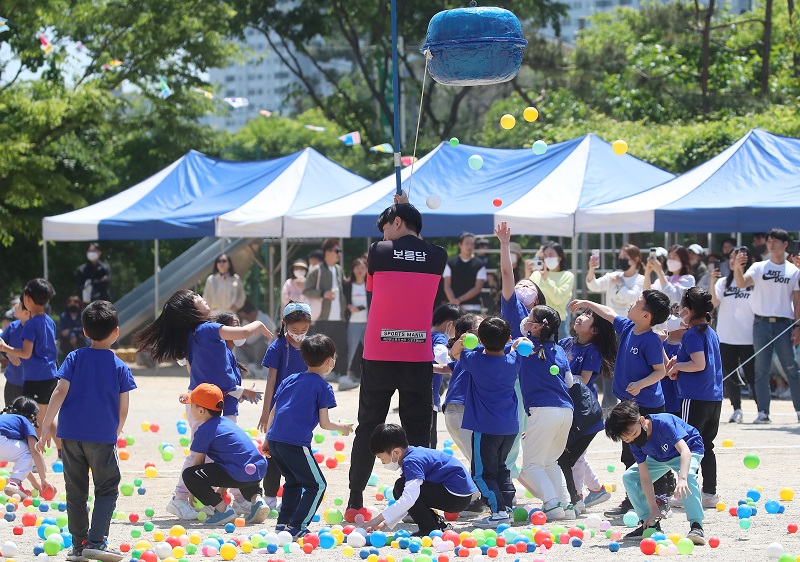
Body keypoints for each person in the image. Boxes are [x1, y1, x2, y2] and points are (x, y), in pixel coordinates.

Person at [347, 193, 447, 511]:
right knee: (419, 429)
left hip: (379, 351)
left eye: (386, 227)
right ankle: (419, 501)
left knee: (368, 425)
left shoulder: (378, 251)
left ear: (397, 222)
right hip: (417, 353)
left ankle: (354, 499)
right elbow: (420, 251)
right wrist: (404, 209)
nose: (382, 235)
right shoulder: (439, 255)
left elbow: (375, 289)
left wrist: (401, 211)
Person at [134, 289, 271, 520]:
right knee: (203, 452)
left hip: (209, 401)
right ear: (190, 309)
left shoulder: (194, 335)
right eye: (196, 296)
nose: (201, 296)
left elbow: (194, 367)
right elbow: (244, 331)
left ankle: (242, 501)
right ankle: (178, 498)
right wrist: (259, 323)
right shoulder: (207, 329)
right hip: (208, 403)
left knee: (225, 451)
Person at [39, 300, 136, 562]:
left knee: (76, 491)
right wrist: (115, 430)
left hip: (70, 436)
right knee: (106, 488)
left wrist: (46, 426)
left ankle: (79, 546)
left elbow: (59, 391)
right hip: (102, 438)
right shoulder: (120, 366)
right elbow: (123, 407)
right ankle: (97, 542)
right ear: (116, 332)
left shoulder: (74, 357)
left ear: (84, 331)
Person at [568, 290, 672, 518]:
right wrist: (587, 302)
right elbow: (608, 313)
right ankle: (632, 498)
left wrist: (641, 383)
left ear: (646, 316)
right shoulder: (627, 327)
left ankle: (661, 497)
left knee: (653, 453)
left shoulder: (651, 340)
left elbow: (660, 371)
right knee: (630, 453)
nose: (632, 302)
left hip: (648, 407)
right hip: (628, 404)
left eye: (638, 302)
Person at [262, 335, 353, 538]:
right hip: (294, 443)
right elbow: (325, 423)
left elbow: (274, 410)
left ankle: (283, 524)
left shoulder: (290, 379)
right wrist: (343, 427)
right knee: (317, 485)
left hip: (276, 440)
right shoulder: (323, 386)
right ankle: (297, 527)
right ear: (329, 361)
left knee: (293, 481)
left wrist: (268, 438)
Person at [450, 317, 524, 528]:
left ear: (480, 340)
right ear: (508, 338)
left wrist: (463, 339)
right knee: (501, 468)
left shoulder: (475, 360)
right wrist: (515, 343)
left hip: (486, 428)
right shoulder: (513, 361)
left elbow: (454, 353)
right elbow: (517, 347)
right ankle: (507, 507)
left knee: (481, 474)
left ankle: (498, 512)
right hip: (510, 427)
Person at [605, 401, 706, 545]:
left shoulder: (663, 423)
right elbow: (645, 477)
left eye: (633, 433)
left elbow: (685, 452)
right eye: (627, 439)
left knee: (688, 476)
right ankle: (650, 523)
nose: (633, 440)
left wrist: (682, 478)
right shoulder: (634, 442)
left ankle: (696, 526)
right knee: (629, 477)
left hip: (688, 449)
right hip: (660, 456)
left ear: (641, 421)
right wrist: (653, 508)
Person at [495, 222, 546, 480]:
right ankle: (509, 478)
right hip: (514, 379)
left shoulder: (546, 319)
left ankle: (539, 476)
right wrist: (504, 244)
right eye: (520, 285)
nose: (522, 287)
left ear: (537, 298)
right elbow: (506, 274)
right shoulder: (512, 307)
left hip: (537, 381)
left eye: (529, 286)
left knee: (536, 432)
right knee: (515, 428)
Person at [733, 228, 800, 424]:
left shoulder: (794, 270)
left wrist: (798, 326)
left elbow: (797, 301)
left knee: (791, 368)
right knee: (761, 370)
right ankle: (763, 412)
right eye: (769, 240)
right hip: (761, 323)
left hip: (784, 324)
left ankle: (799, 410)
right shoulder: (759, 267)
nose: (771, 244)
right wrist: (738, 267)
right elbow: (742, 283)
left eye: (775, 241)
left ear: (785, 244)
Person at [179, 383, 269, 526]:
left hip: (239, 472)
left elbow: (198, 464)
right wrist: (222, 487)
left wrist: (193, 491)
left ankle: (223, 510)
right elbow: (231, 458)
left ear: (201, 411)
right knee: (244, 470)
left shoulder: (204, 430)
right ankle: (257, 500)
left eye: (192, 405)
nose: (190, 409)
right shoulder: (227, 422)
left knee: (190, 474)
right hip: (257, 470)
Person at [364, 424, 477, 537]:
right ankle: (437, 525)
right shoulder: (412, 453)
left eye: (382, 458)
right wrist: (385, 523)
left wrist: (377, 520)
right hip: (460, 495)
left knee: (400, 487)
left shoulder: (412, 461)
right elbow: (409, 500)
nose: (383, 463)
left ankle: (429, 528)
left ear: (396, 452)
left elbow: (409, 499)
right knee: (402, 487)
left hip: (456, 496)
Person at [517, 305, 575, 519]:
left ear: (537, 326)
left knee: (531, 465)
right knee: (550, 461)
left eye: (530, 318)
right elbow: (569, 383)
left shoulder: (525, 345)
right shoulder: (559, 349)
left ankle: (551, 504)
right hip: (566, 411)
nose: (526, 320)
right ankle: (566, 506)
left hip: (543, 409)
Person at [666, 287, 722, 508]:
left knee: (689, 445)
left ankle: (684, 494)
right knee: (706, 444)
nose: (678, 311)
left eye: (681, 307)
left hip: (694, 398)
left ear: (688, 310)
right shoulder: (710, 332)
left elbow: (699, 364)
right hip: (713, 398)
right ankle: (709, 493)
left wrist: (677, 366)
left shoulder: (692, 334)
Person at [558, 309, 618, 510]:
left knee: (574, 456)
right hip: (565, 404)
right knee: (575, 455)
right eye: (581, 313)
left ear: (595, 330)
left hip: (583, 409)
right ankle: (596, 489)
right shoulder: (566, 342)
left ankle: (577, 498)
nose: (580, 316)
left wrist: (561, 377)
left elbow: (583, 379)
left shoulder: (592, 351)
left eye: (588, 316)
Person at [257, 302, 312, 510]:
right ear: (285, 324)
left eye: (304, 330)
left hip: (301, 409)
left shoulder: (310, 346)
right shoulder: (278, 346)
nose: (299, 334)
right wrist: (265, 413)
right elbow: (271, 382)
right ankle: (270, 496)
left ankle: (292, 497)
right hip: (277, 410)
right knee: (273, 452)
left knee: (296, 453)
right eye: (295, 329)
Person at [0, 279, 59, 445]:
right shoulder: (49, 321)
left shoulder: (31, 324)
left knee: (34, 418)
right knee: (46, 417)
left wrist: (6, 348)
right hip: (50, 375)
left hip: (36, 377)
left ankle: (35, 455)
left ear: (27, 298)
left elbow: (26, 353)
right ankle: (61, 452)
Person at [711, 248, 755, 423]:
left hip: (749, 336)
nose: (733, 261)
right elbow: (713, 303)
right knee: (730, 375)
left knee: (753, 375)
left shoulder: (753, 280)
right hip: (726, 336)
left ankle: (762, 409)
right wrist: (712, 281)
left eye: (737, 258)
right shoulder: (723, 282)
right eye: (730, 258)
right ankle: (737, 409)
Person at [303, 238, 349, 387]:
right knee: (321, 349)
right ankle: (319, 376)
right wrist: (324, 293)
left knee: (342, 347)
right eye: (337, 251)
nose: (339, 254)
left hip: (338, 317)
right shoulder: (317, 270)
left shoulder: (339, 269)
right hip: (322, 317)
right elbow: (306, 290)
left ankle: (342, 376)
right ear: (327, 252)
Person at [441, 313, 482, 466]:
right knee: (479, 463)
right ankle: (481, 491)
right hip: (463, 411)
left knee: (476, 461)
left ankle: (479, 490)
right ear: (469, 334)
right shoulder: (477, 353)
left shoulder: (466, 356)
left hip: (454, 411)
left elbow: (446, 368)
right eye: (481, 325)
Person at [0, 397, 50, 500]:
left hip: (2, 442)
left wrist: (35, 483)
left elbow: (23, 463)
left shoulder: (6, 419)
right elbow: (34, 452)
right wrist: (44, 479)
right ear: (32, 417)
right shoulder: (25, 421)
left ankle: (15, 482)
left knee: (25, 452)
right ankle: (14, 482)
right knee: (30, 449)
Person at [430, 304, 463, 449]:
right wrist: (453, 369)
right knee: (430, 442)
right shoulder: (440, 338)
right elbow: (440, 353)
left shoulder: (426, 335)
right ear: (450, 324)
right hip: (430, 397)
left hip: (417, 392)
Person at [528, 241, 575, 339]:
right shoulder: (537, 274)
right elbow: (526, 294)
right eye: (545, 255)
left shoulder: (567, 276)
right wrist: (527, 273)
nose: (548, 258)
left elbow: (558, 299)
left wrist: (546, 280)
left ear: (560, 257)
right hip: (536, 322)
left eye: (551, 255)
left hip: (557, 323)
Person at [586, 244, 645, 317]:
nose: (622, 259)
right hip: (610, 323)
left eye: (625, 257)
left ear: (635, 260)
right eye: (620, 256)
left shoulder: (640, 279)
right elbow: (593, 286)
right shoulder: (612, 276)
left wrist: (620, 284)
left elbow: (633, 298)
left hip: (628, 324)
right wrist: (591, 269)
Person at [342, 257, 370, 391]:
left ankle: (371, 377)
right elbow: (342, 301)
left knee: (370, 351)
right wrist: (348, 306)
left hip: (368, 323)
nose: (360, 270)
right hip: (352, 323)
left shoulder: (370, 285)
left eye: (363, 267)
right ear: (352, 269)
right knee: (350, 350)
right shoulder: (347, 285)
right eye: (357, 267)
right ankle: (346, 376)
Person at [443, 232, 487, 313]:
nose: (470, 246)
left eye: (472, 244)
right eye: (467, 243)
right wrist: (454, 302)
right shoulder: (451, 262)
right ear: (460, 245)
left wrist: (459, 300)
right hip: (454, 307)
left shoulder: (480, 264)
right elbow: (447, 285)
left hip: (473, 307)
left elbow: (478, 288)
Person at [235, 301, 277, 377]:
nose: (245, 319)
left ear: (252, 313)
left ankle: (257, 366)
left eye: (246, 316)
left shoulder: (264, 319)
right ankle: (247, 366)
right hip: (250, 349)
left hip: (264, 350)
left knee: (263, 339)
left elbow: (250, 339)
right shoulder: (246, 321)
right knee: (236, 345)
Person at [1, 300, 28, 408]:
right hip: (13, 380)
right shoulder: (13, 326)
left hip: (33, 382)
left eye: (19, 305)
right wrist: (8, 353)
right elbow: (1, 343)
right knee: (11, 415)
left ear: (27, 312)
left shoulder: (38, 327)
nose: (16, 307)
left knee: (34, 419)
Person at [57, 296, 86, 361]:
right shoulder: (64, 316)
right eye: (70, 302)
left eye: (75, 302)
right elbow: (60, 329)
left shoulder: (82, 316)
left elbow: (83, 328)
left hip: (80, 340)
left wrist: (71, 331)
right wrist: (71, 335)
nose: (72, 304)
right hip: (66, 342)